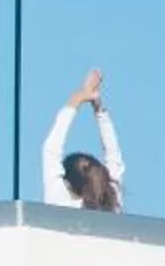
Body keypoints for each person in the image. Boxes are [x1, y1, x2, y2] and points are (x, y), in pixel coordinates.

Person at [41, 70, 124, 211]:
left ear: (67, 184)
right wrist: (98, 108)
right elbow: (113, 153)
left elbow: (50, 150)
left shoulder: (59, 203)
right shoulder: (112, 203)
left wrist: (78, 97)